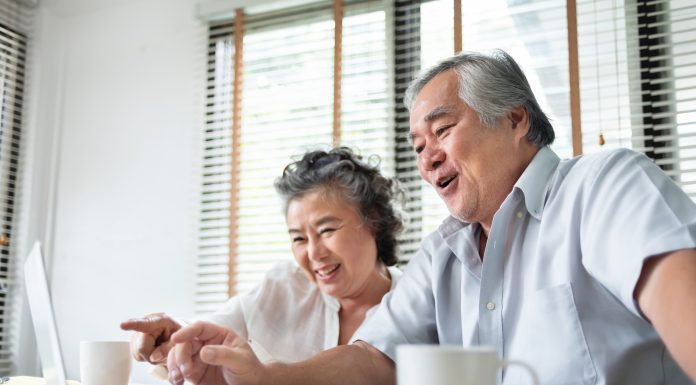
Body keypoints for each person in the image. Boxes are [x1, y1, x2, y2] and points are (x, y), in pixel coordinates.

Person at [165, 50, 696, 385]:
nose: (427, 158)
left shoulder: (602, 185)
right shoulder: (442, 253)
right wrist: (265, 378)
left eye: (442, 131)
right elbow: (372, 358)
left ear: (515, 120)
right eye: (418, 145)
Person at [120, 147, 405, 374]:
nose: (314, 254)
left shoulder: (415, 302)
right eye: (299, 239)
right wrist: (177, 334)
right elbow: (214, 328)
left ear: (374, 221)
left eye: (327, 230)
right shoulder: (283, 286)